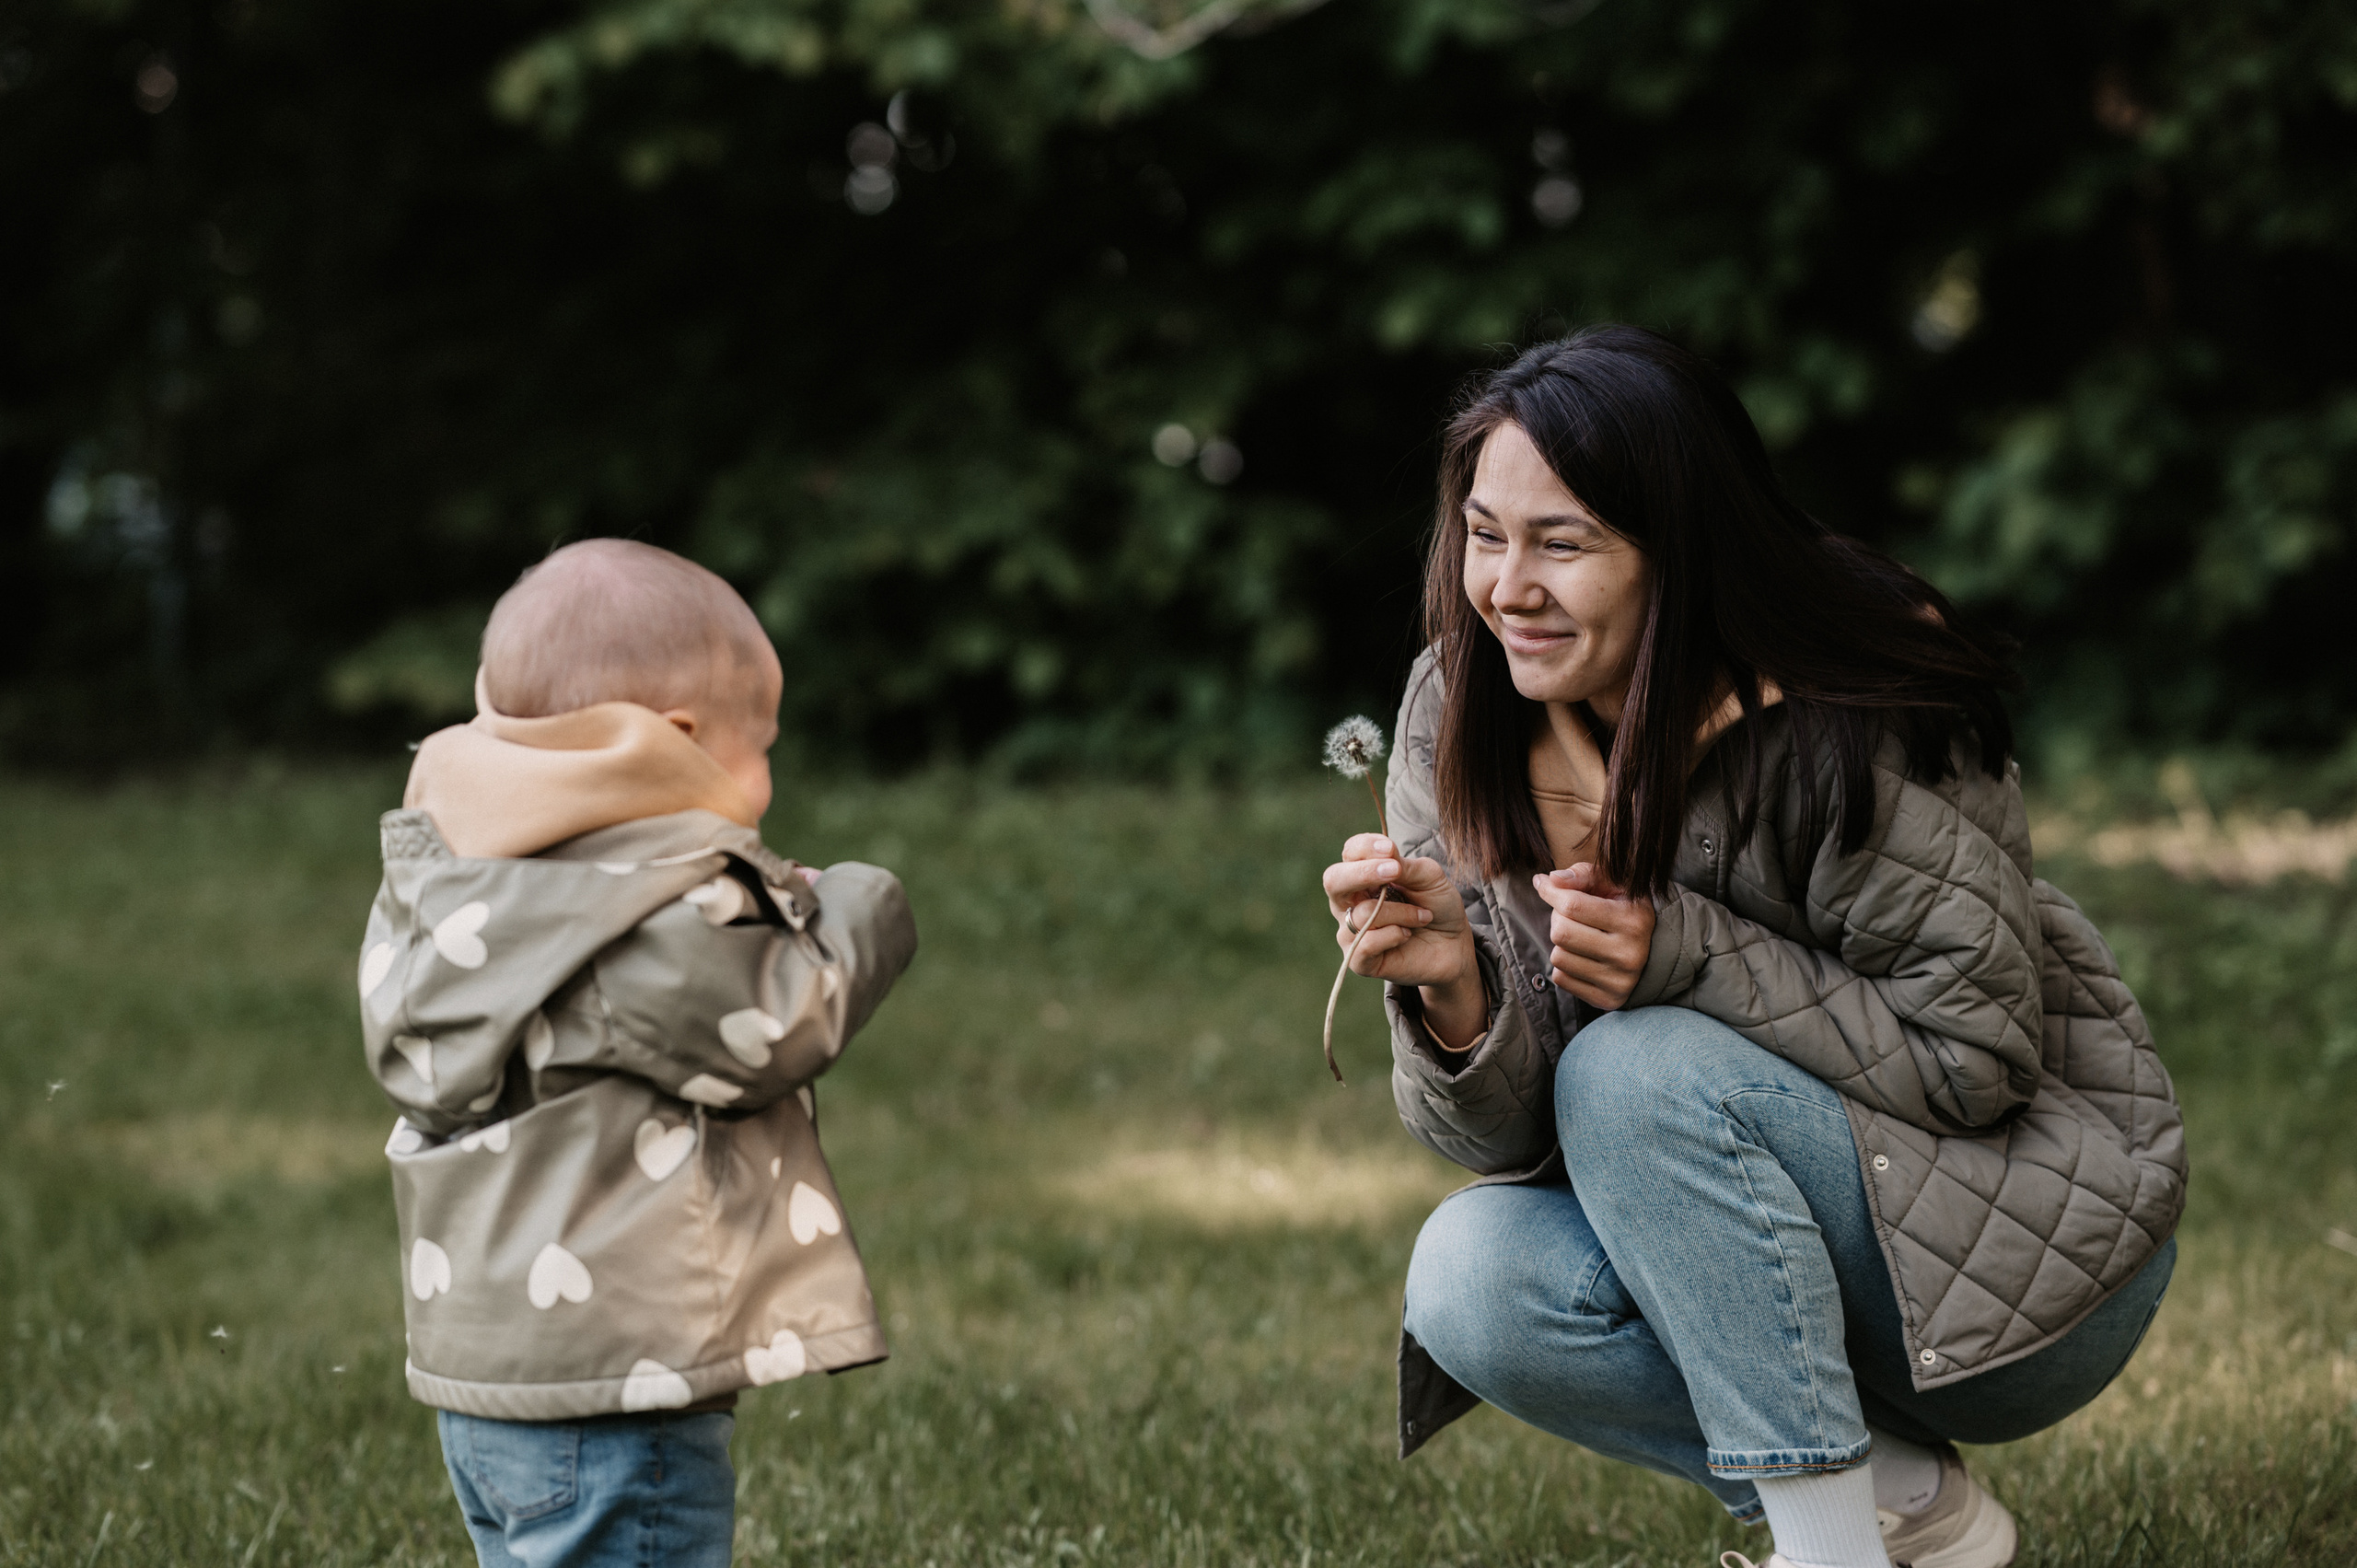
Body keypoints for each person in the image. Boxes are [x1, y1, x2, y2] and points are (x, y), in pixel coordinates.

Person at [1320, 328, 2185, 1568]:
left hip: (2024, 1266)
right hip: (1762, 1236)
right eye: (1485, 532)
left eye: (1562, 541)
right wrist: (1459, 989)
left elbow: (1978, 1058)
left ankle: (1828, 1552)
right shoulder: (1459, 710)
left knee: (1635, 1069)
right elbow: (1508, 1141)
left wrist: (1687, 955)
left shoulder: (1857, 710)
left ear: (1682, 550)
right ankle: (1897, 1510)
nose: (1507, 584)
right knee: (1470, 1276)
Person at [358, 539, 918, 1567]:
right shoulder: (639, 904)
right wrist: (857, 901)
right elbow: (781, 1021)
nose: (766, 779)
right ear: (678, 739)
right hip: (617, 1376)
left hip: (489, 1376)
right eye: (762, 749)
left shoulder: (466, 889)